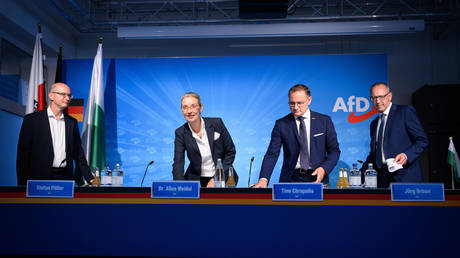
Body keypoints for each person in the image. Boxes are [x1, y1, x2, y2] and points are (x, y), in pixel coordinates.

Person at [254, 84, 340, 187]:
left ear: (309, 100)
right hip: (290, 179)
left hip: (317, 177)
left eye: (300, 103)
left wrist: (324, 168)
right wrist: (264, 179)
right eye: (292, 103)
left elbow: (334, 151)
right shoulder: (281, 124)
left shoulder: (324, 121)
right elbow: (272, 154)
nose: (295, 107)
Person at [16, 82, 97, 186]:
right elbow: (23, 155)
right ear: (51, 96)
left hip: (65, 178)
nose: (67, 98)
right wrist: (22, 184)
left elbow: (78, 154)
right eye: (63, 94)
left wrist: (90, 178)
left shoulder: (72, 122)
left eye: (69, 95)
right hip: (39, 179)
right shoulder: (32, 120)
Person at [360, 82, 428, 188]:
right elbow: (375, 154)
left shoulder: (405, 112)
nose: (378, 101)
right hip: (382, 180)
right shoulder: (374, 124)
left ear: (390, 96)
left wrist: (406, 155)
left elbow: (422, 140)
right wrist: (359, 175)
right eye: (374, 98)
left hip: (405, 178)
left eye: (381, 97)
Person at [172, 92, 238, 187]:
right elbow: (178, 163)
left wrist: (216, 178)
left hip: (222, 176)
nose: (189, 111)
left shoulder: (217, 123)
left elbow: (230, 151)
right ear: (182, 110)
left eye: (193, 106)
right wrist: (179, 186)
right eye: (185, 107)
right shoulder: (180, 132)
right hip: (195, 180)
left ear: (201, 107)